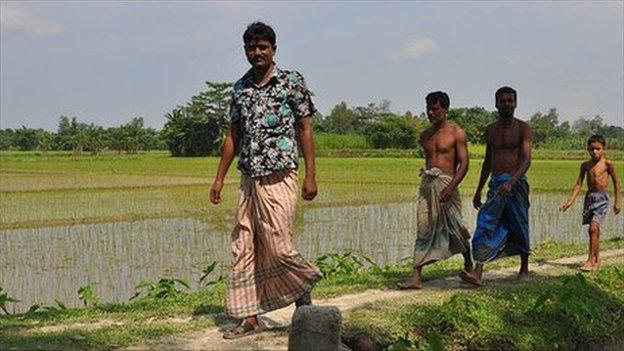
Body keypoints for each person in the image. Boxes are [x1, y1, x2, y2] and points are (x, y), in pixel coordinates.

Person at [210, 21, 322, 339]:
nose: (256, 52)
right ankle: (250, 317)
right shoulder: (240, 89)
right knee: (244, 246)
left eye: (262, 47)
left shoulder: (291, 82)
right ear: (245, 50)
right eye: (251, 47)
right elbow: (233, 135)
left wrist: (311, 175)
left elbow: (305, 129)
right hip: (248, 177)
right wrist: (218, 178)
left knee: (278, 243)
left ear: (274, 49)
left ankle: (304, 291)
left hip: (280, 175)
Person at [397, 91, 473, 289]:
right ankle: (416, 275)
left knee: (456, 226)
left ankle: (468, 263)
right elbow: (429, 160)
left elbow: (464, 164)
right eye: (428, 109)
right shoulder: (425, 136)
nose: (431, 113)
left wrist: (451, 186)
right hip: (428, 185)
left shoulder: (457, 133)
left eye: (435, 109)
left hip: (448, 183)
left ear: (445, 110)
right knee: (423, 228)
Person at [460, 86, 532, 286]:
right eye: (502, 101)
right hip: (496, 185)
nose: (506, 104)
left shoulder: (523, 128)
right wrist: (478, 190)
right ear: (496, 103)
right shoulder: (491, 129)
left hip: (515, 185)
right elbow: (488, 161)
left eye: (510, 100)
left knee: (519, 223)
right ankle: (478, 271)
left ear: (515, 103)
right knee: (485, 223)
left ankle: (524, 266)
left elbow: (526, 160)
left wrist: (511, 181)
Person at [559, 135, 621, 271]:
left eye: (598, 149)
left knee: (592, 228)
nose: (595, 152)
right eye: (592, 149)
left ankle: (589, 260)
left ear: (604, 149)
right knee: (595, 231)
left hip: (601, 198)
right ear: (588, 149)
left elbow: (617, 182)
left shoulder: (607, 164)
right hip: (589, 198)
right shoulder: (585, 165)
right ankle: (597, 260)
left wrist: (617, 201)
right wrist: (570, 201)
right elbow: (578, 184)